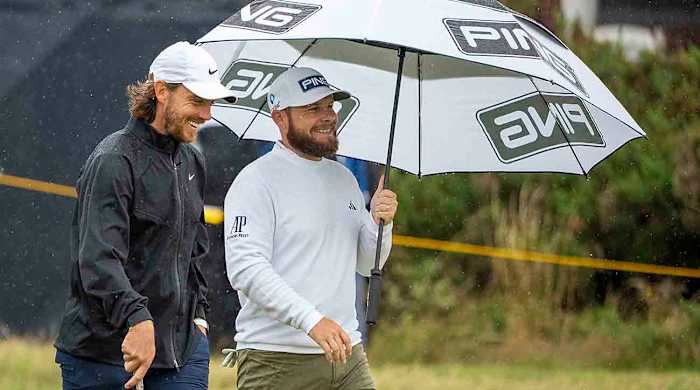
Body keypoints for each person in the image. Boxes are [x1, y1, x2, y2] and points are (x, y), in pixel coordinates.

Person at [54, 41, 236, 390]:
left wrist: (198, 316)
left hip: (181, 355)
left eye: (210, 103)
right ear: (161, 91)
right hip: (105, 357)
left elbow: (195, 252)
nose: (206, 115)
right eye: (197, 101)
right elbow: (97, 259)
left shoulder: (193, 162)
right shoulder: (113, 160)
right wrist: (137, 320)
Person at [224, 67, 398, 390]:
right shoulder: (255, 181)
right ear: (279, 118)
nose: (328, 116)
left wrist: (379, 226)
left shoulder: (344, 179)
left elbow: (365, 262)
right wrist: (312, 321)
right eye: (312, 109)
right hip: (275, 361)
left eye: (330, 106)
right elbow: (246, 270)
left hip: (347, 356)